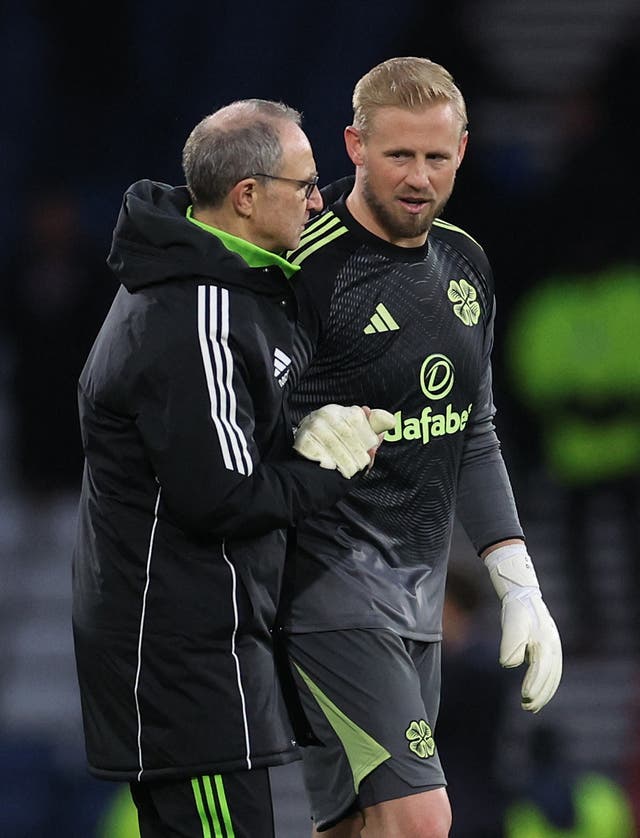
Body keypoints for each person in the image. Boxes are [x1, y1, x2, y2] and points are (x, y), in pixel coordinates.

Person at [72, 98, 394, 838]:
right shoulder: (197, 313)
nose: (322, 201)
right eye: (308, 185)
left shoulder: (216, 288)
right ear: (247, 196)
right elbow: (219, 497)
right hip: (185, 659)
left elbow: (219, 450)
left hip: (189, 648)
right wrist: (336, 467)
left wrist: (296, 431)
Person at [283, 57, 563, 837]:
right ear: (354, 146)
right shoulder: (303, 266)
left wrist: (519, 584)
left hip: (417, 599)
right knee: (422, 819)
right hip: (324, 590)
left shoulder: (466, 263)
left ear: (463, 151)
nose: (418, 176)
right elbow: (230, 418)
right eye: (398, 154)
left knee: (354, 827)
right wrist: (296, 431)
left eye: (436, 157)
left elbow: (471, 431)